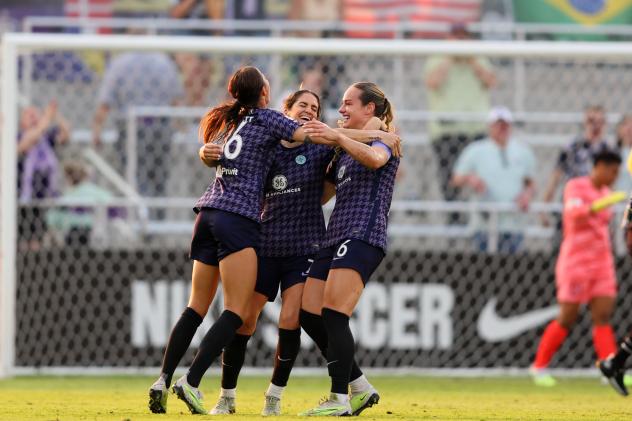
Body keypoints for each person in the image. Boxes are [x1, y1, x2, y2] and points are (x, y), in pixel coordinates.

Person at [147, 67, 396, 415]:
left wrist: (374, 135)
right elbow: (229, 157)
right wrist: (206, 152)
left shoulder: (322, 150)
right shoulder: (266, 143)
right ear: (285, 112)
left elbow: (341, 170)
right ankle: (226, 396)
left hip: (305, 246)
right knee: (244, 319)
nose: (310, 110)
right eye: (302, 105)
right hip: (262, 241)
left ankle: (274, 398)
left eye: (315, 107)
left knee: (293, 318)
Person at [297, 82, 399, 416]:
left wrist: (338, 137)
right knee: (309, 313)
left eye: (348, 103)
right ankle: (360, 387)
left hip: (362, 234)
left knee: (334, 314)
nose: (341, 110)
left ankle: (339, 398)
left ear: (369, 108)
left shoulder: (385, 138)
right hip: (333, 236)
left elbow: (374, 159)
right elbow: (323, 197)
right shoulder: (344, 148)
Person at [530, 150, 624, 387]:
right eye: (612, 171)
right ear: (600, 166)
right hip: (576, 262)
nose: (614, 177)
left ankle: (609, 368)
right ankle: (538, 366)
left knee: (602, 315)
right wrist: (597, 205)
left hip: (602, 262)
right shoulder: (576, 186)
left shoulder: (607, 193)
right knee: (567, 316)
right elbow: (574, 215)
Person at [92, 41, 184, 203]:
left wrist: (97, 129)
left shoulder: (119, 64)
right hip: (159, 127)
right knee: (158, 182)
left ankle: (136, 217)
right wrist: (180, 127)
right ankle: (155, 221)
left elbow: (105, 103)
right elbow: (176, 100)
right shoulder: (164, 63)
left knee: (131, 180)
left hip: (130, 129)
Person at [424, 22, 496, 210]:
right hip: (448, 130)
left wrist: (471, 59)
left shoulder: (478, 59)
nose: (460, 41)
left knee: (482, 175)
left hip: (476, 128)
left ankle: (479, 215)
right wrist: (450, 57)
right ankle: (453, 216)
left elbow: (491, 81)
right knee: (449, 177)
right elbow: (433, 82)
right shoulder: (438, 59)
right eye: (457, 37)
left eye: (464, 37)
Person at [450, 107, 536, 253]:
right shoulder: (475, 150)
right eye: (498, 124)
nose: (501, 128)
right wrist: (471, 179)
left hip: (513, 221)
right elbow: (456, 179)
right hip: (484, 221)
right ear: (490, 127)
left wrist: (527, 194)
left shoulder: (523, 152)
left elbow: (530, 182)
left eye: (505, 125)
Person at [542, 105, 611, 230]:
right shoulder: (572, 148)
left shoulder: (608, 151)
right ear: (584, 123)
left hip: (598, 208)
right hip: (574, 205)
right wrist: (545, 206)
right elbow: (556, 176)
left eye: (600, 122)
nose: (595, 126)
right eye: (591, 121)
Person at [17, 100, 70, 250]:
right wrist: (45, 120)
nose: (33, 118)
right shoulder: (18, 136)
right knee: (21, 240)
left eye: (36, 115)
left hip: (43, 196)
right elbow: (26, 143)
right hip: (22, 197)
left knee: (37, 240)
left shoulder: (46, 138)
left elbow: (65, 133)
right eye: (29, 115)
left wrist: (54, 115)